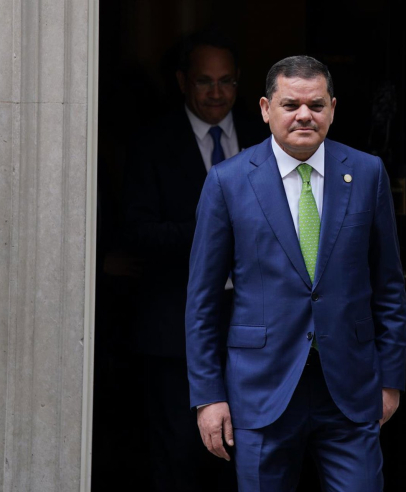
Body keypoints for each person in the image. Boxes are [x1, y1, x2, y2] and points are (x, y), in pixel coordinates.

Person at [185, 55, 406, 491]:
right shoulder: (228, 181)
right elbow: (202, 302)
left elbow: (389, 287)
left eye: (316, 105)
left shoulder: (367, 173)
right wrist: (208, 396)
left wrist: (390, 379)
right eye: (291, 105)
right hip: (260, 390)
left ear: (332, 108)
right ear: (266, 109)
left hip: (350, 388)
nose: (304, 115)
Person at [122, 28, 267, 491]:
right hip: (174, 329)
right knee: (179, 458)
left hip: (256, 327)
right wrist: (215, 232)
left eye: (227, 81)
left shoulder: (265, 135)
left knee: (249, 457)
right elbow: (137, 232)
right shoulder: (151, 143)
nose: (217, 93)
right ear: (183, 81)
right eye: (205, 81)